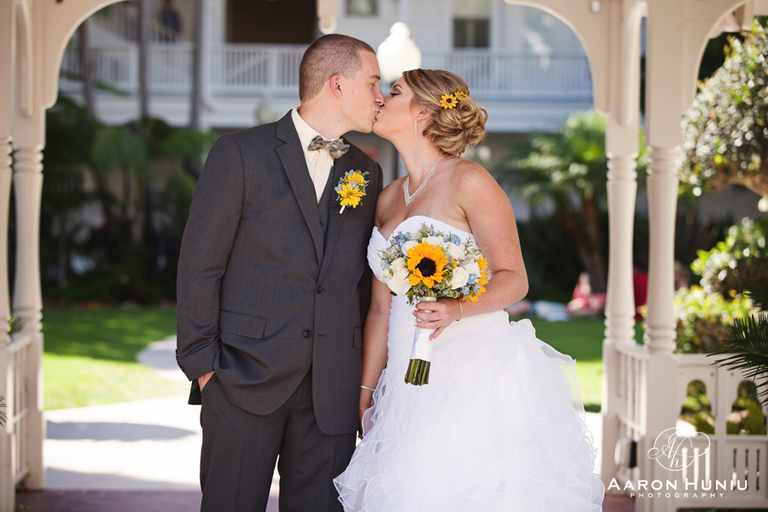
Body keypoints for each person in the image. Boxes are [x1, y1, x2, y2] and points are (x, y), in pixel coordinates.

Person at [334, 69, 604, 511]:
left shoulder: (470, 181)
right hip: (405, 377)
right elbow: (381, 308)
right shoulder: (385, 198)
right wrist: (366, 390)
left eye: (394, 91)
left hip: (472, 368)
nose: (381, 98)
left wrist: (456, 309)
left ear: (423, 113)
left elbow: (514, 278)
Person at [176, 34, 384, 512]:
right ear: (337, 84)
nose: (379, 95)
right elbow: (199, 265)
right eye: (372, 82)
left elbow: (358, 283)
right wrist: (204, 367)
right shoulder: (240, 154)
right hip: (242, 379)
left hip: (330, 391)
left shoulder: (366, 172)